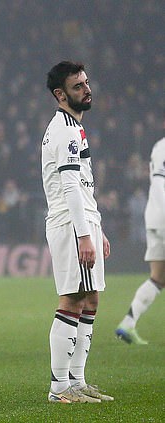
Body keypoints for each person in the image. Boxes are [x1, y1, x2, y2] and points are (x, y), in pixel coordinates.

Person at [41, 61, 113, 403]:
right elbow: (69, 185)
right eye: (77, 86)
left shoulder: (72, 127)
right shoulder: (66, 130)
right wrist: (84, 234)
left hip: (83, 220)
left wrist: (96, 227)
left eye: (86, 82)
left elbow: (83, 186)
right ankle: (59, 388)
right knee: (72, 299)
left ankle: (77, 380)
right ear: (61, 94)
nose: (86, 89)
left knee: (91, 298)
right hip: (70, 223)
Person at [115, 137, 165, 344]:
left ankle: (128, 323)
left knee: (158, 277)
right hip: (162, 216)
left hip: (155, 217)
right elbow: (161, 183)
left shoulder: (159, 145)